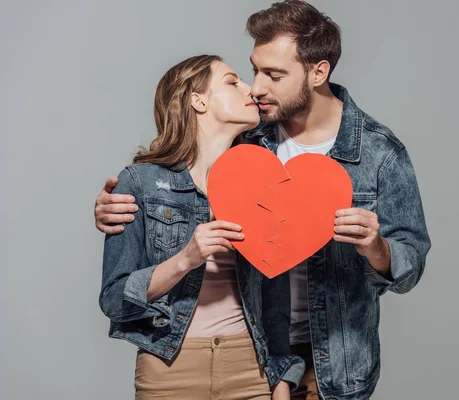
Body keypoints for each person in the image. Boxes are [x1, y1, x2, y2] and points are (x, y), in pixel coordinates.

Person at [95, 1, 431, 399]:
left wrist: (376, 247)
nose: (256, 87)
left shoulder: (380, 153)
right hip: (259, 352)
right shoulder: (246, 143)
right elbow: (180, 179)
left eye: (273, 74)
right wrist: (116, 204)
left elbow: (410, 264)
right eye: (253, 70)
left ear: (318, 71)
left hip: (336, 360)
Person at [99, 54, 301, 400]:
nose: (250, 89)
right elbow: (114, 300)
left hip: (250, 366)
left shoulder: (263, 184)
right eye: (232, 80)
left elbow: (275, 298)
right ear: (198, 100)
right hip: (169, 369)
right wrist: (186, 258)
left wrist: (281, 379)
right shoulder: (140, 184)